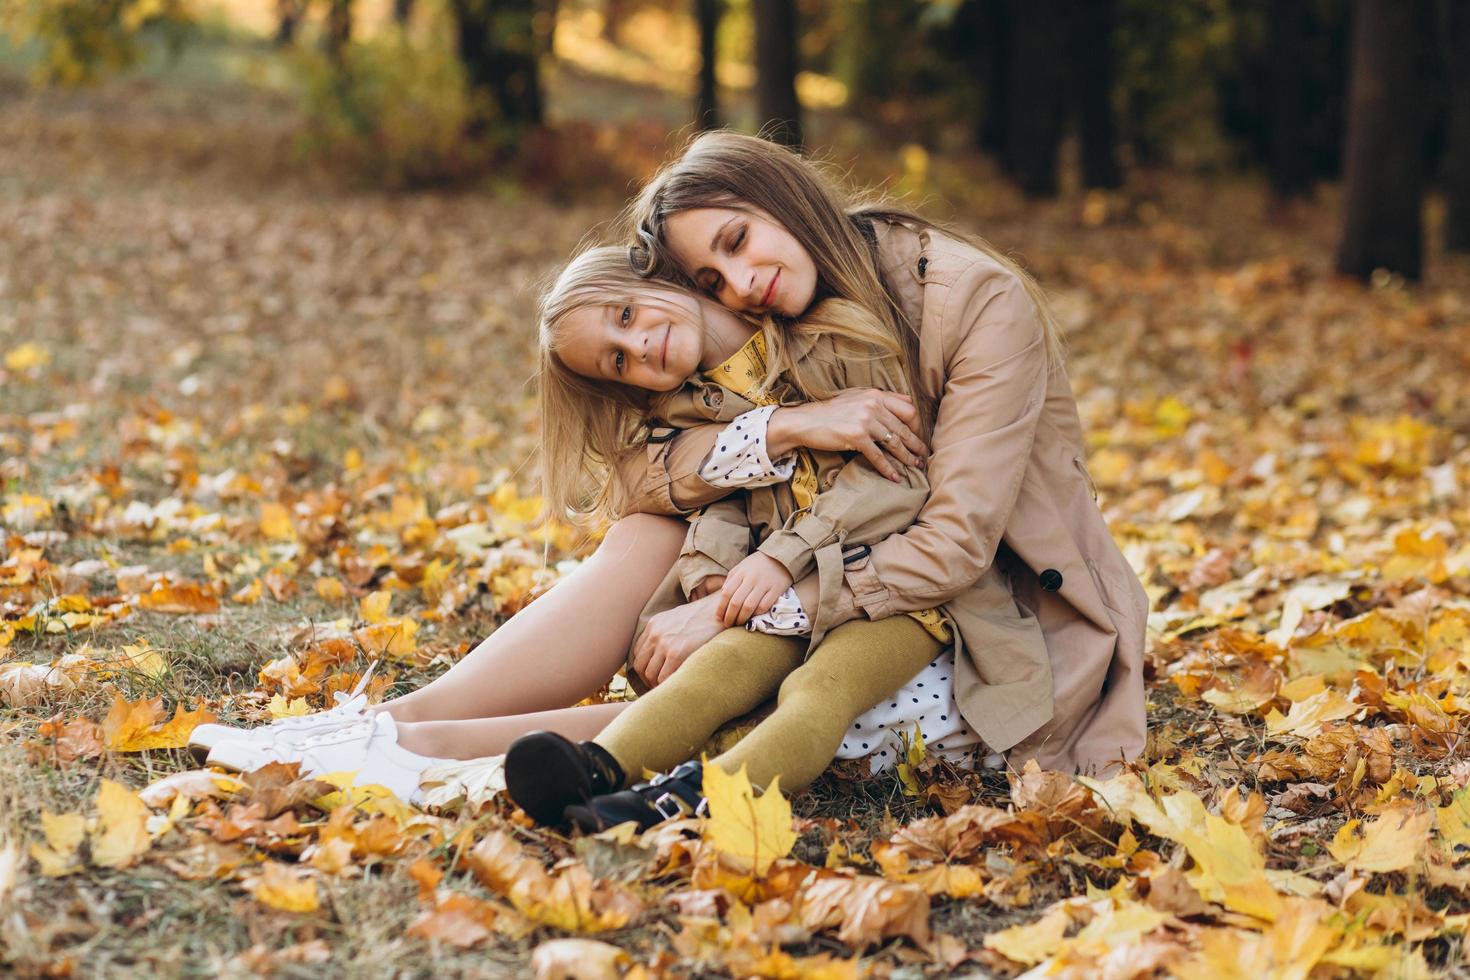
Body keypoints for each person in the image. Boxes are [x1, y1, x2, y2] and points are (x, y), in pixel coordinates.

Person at [598, 130, 1148, 785]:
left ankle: (497, 765)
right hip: (836, 586)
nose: (742, 283)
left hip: (992, 618)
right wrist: (786, 427)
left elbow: (955, 544)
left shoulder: (975, 299)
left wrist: (751, 606)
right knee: (656, 562)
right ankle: (466, 734)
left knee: (776, 704)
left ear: (782, 193)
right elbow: (635, 479)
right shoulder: (777, 309)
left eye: (738, 239)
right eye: (714, 280)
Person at [500, 246, 1046, 829]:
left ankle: (694, 798)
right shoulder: (694, 409)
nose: (637, 348)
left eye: (627, 316)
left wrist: (785, 557)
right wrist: (709, 572)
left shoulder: (827, 342)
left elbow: (897, 481)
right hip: (795, 592)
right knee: (720, 667)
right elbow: (728, 506)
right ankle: (597, 768)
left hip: (900, 595)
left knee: (822, 688)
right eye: (617, 361)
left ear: (654, 276)